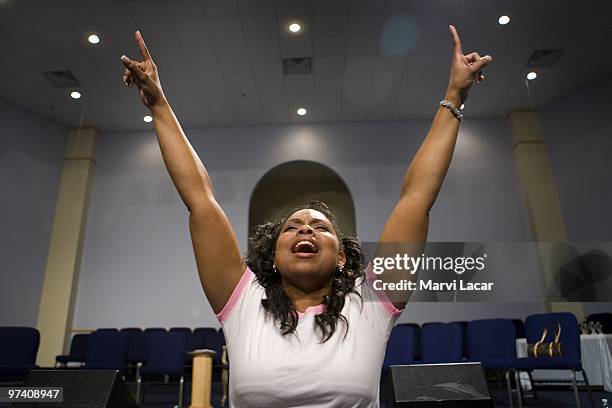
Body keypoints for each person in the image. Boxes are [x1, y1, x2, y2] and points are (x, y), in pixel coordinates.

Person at [121, 24, 492, 408]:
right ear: (274, 255)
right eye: (292, 227)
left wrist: (454, 96)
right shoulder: (243, 299)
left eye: (320, 226)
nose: (305, 230)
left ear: (343, 255)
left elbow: (416, 199)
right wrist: (159, 106)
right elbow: (199, 199)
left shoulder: (371, 301)